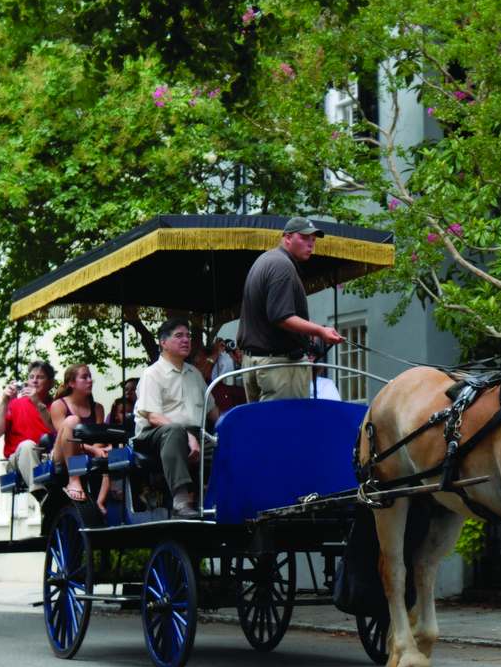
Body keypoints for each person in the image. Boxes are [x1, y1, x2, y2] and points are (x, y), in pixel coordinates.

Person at [236, 216, 343, 402]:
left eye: (313, 240)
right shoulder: (282, 266)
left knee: (262, 429)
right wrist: (320, 330)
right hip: (278, 367)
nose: (310, 244)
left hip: (256, 362)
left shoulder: (266, 259)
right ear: (287, 238)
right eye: (304, 238)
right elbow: (281, 316)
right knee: (285, 429)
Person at [133, 317, 219, 520]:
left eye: (188, 336)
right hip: (156, 435)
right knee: (175, 432)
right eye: (179, 336)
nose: (186, 340)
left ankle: (223, 498)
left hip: (195, 434)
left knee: (228, 448)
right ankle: (181, 501)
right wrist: (187, 435)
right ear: (163, 343)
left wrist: (232, 431)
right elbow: (153, 416)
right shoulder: (152, 374)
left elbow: (213, 412)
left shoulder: (195, 374)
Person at [0, 360, 57, 498]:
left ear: (51, 383)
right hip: (17, 460)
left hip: (48, 457)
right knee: (28, 445)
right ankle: (40, 495)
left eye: (40, 377)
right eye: (31, 377)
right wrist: (4, 400)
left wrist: (37, 402)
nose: (35, 381)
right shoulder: (15, 404)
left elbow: (56, 430)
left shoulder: (57, 405)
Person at [49, 364, 110, 510]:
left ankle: (103, 502)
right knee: (72, 421)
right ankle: (74, 478)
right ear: (71, 383)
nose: (90, 380)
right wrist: (94, 450)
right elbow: (64, 438)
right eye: (84, 377)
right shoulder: (59, 405)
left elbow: (99, 438)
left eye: (90, 376)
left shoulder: (97, 408)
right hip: (62, 454)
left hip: (87, 452)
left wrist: (98, 449)